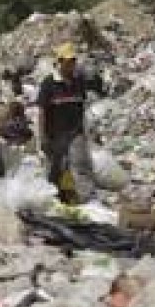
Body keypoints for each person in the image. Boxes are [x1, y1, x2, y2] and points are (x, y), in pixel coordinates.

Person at [37, 43, 106, 204]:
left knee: (80, 165)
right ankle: (53, 200)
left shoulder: (78, 81)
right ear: (59, 62)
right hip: (54, 134)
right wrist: (43, 137)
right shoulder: (49, 83)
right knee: (55, 169)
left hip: (75, 132)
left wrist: (88, 131)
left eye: (73, 61)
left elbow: (81, 107)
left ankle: (88, 201)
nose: (71, 64)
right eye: (68, 61)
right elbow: (42, 112)